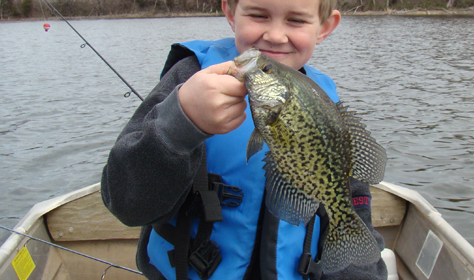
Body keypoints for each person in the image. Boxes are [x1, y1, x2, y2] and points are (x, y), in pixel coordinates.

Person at [101, 0, 388, 279]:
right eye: (259, 15)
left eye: (296, 20)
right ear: (230, 11)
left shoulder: (324, 105)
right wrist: (180, 122)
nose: (275, 36)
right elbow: (125, 203)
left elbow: (352, 205)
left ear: (325, 27)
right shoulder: (189, 78)